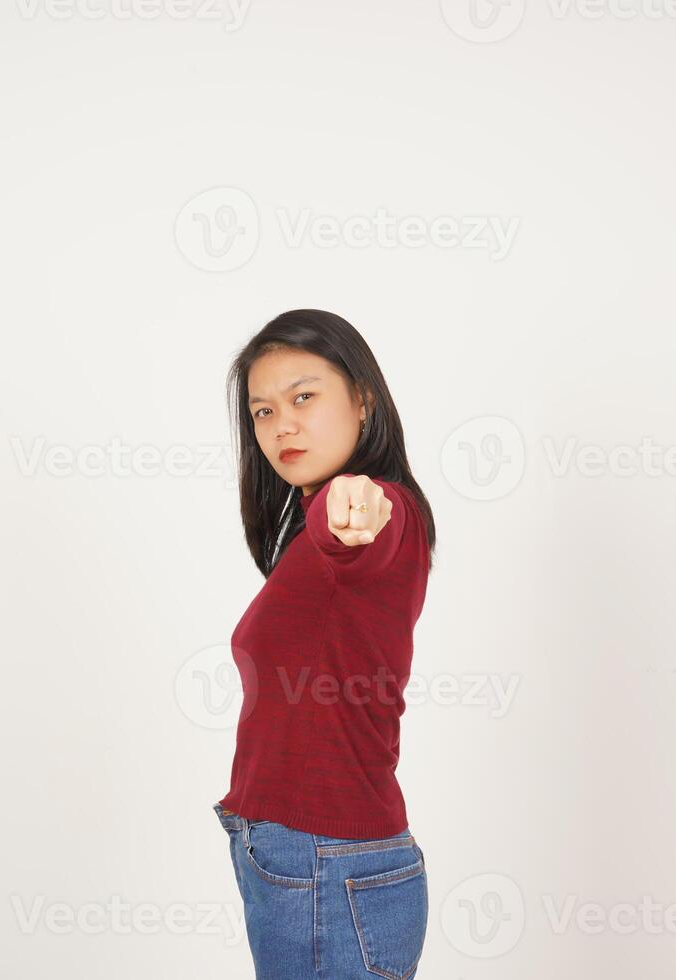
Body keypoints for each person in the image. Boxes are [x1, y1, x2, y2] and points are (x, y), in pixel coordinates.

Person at [213, 309, 438, 979]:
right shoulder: (306, 536)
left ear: (362, 399)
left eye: (303, 397)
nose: (281, 424)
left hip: (327, 864)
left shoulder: (370, 512)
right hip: (309, 861)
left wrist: (355, 501)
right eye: (262, 411)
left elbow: (369, 518)